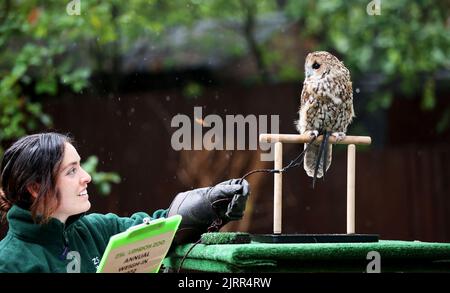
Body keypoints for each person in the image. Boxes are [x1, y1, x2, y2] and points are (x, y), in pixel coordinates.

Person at [0, 132, 249, 273]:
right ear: (35, 188)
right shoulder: (10, 262)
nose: (86, 177)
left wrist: (211, 205)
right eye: (71, 171)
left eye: (81, 166)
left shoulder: (97, 231)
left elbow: (162, 226)